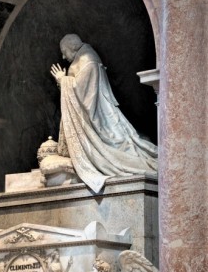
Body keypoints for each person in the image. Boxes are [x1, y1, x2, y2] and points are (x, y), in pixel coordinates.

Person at [50, 34, 158, 193]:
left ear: (71, 47)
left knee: (121, 147)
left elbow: (83, 94)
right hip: (99, 115)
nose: (63, 56)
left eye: (64, 51)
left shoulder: (88, 62)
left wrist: (62, 80)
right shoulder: (83, 59)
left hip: (100, 121)